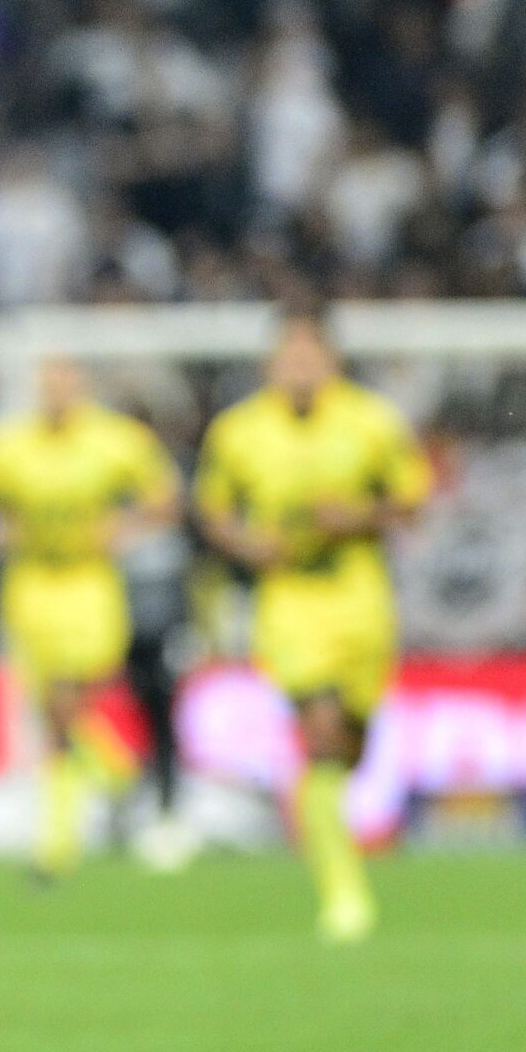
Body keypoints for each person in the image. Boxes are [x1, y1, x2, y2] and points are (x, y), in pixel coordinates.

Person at [195, 314, 431, 942]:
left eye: (310, 354)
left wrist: (358, 515)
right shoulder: (239, 431)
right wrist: (249, 547)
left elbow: (412, 499)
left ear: (331, 361)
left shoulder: (372, 421)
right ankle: (344, 893)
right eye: (288, 355)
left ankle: (334, 846)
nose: (299, 365)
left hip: (360, 596)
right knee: (320, 735)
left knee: (351, 742)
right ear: (273, 363)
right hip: (289, 601)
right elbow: (214, 512)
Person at [0, 358, 178, 879]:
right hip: (31, 583)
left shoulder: (117, 441)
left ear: (82, 388)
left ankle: (85, 819)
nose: (57, 393)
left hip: (89, 584)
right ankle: (79, 826)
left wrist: (124, 527)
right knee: (55, 722)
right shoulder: (6, 446)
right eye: (49, 384)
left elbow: (166, 500)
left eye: (67, 384)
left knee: (64, 708)